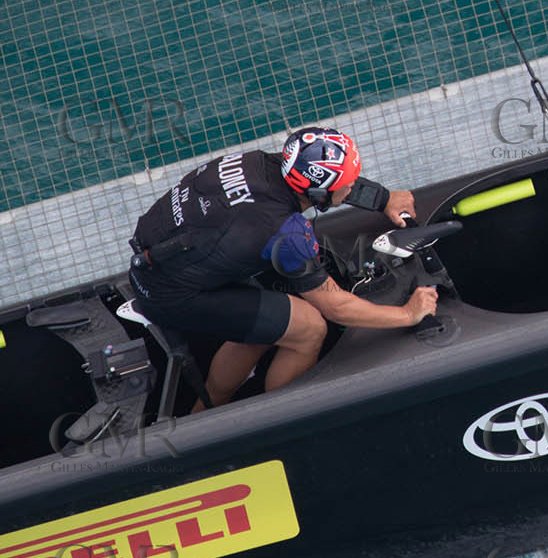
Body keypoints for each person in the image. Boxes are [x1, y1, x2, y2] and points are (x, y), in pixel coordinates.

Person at [126, 127, 438, 409]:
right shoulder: (286, 232)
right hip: (171, 293)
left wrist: (383, 198)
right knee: (309, 328)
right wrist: (407, 314)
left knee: (269, 327)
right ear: (318, 194)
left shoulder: (260, 162)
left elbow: (313, 183)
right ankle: (278, 417)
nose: (353, 186)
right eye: (348, 183)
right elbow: (337, 307)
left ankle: (207, 409)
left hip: (161, 261)